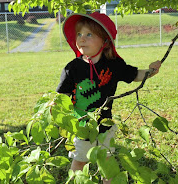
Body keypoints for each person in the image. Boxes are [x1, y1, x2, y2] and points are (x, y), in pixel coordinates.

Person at [56, 12, 161, 180]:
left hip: (105, 125)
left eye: (89, 34)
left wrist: (150, 71)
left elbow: (134, 75)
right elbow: (62, 96)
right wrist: (60, 114)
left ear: (104, 41)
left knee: (106, 162)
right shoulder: (72, 68)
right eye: (79, 34)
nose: (82, 39)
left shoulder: (113, 66)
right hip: (82, 126)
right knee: (80, 161)